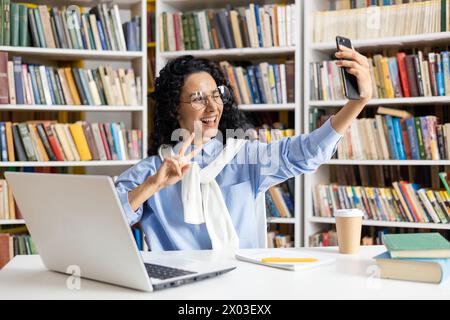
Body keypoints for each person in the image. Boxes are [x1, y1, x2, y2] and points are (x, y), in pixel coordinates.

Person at [115, 46, 372, 251]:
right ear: (174, 108)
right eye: (198, 99)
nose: (213, 107)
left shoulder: (245, 157)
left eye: (216, 95)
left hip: (245, 285)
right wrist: (152, 186)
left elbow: (307, 153)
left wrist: (357, 104)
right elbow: (107, 224)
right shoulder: (150, 172)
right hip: (180, 290)